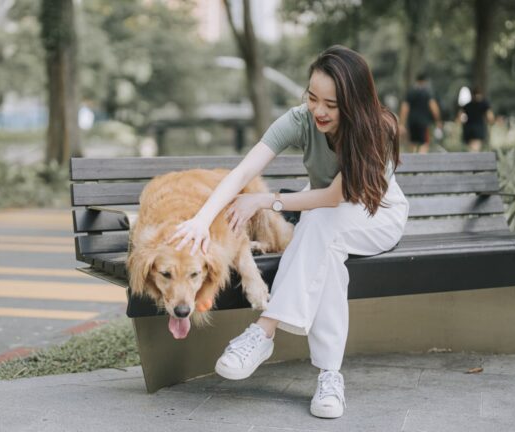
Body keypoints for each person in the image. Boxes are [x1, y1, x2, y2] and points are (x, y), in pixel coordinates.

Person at [167, 45, 409, 419]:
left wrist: (267, 202)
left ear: (355, 103)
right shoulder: (300, 120)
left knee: (319, 222)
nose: (319, 111)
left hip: (378, 215)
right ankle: (330, 378)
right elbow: (243, 172)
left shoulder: (376, 130)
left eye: (332, 103)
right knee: (322, 241)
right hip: (326, 220)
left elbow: (333, 197)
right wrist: (201, 218)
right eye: (313, 97)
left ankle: (264, 330)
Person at [399, 73, 443, 153]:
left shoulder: (410, 92)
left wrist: (402, 123)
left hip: (412, 122)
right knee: (424, 143)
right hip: (423, 122)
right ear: (425, 81)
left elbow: (404, 108)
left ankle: (413, 162)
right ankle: (421, 162)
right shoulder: (427, 93)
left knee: (412, 143)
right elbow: (434, 107)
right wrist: (438, 121)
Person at [459, 87, 494, 152]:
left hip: (468, 129)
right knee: (475, 150)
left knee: (471, 149)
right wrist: (491, 124)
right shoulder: (484, 104)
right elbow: (490, 116)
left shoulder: (467, 105)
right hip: (478, 129)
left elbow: (460, 117)